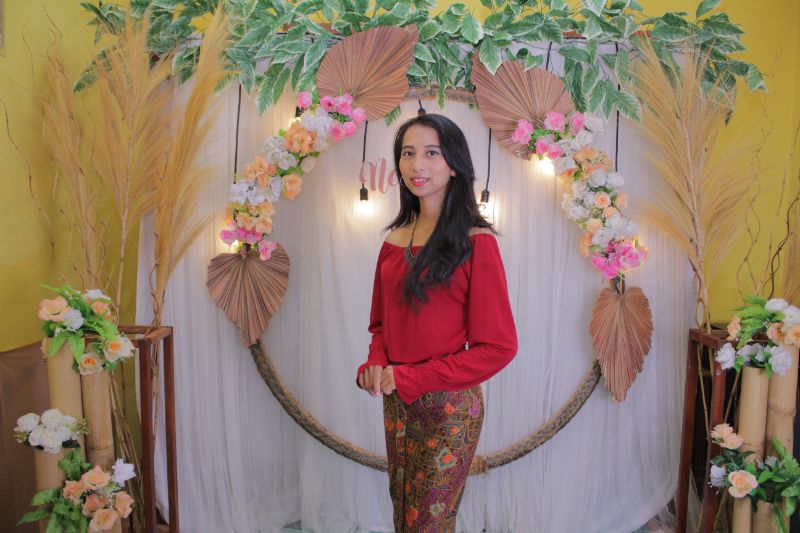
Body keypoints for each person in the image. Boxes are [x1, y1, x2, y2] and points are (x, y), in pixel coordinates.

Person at [356, 112, 518, 532]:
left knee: (429, 521)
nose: (417, 165)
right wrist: (375, 363)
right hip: (397, 401)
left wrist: (412, 377)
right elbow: (380, 326)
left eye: (431, 153)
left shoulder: (476, 242)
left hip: (449, 407)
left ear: (454, 164)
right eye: (408, 153)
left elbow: (499, 347)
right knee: (403, 512)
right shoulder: (393, 241)